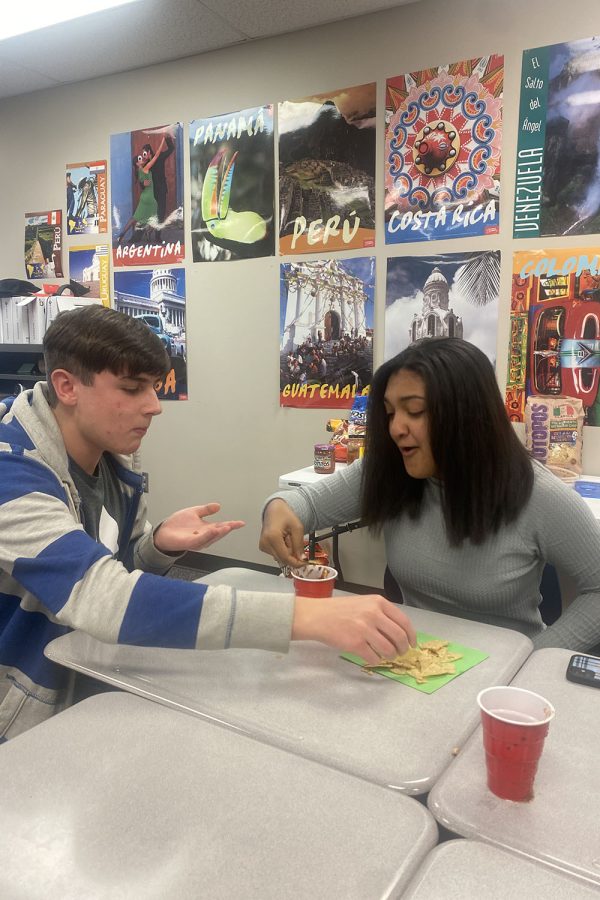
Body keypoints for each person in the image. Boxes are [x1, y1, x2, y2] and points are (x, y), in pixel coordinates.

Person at [0, 305, 415, 741]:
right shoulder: (11, 472)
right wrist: (307, 616)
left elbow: (112, 573)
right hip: (25, 721)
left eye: (154, 388)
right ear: (66, 386)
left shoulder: (113, 462)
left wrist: (156, 546)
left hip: (89, 683)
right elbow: (102, 599)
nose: (154, 407)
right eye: (131, 388)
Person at [260, 337, 600, 652]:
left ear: (468, 415)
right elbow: (302, 503)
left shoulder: (537, 496)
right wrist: (277, 509)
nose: (395, 428)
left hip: (502, 681)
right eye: (391, 412)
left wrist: (533, 661)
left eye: (415, 411)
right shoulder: (391, 472)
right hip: (414, 662)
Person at [117, 135, 166, 246]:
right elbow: (157, 155)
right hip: (149, 198)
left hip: (144, 197)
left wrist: (144, 183)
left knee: (134, 218)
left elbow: (143, 183)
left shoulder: (138, 172)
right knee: (156, 217)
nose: (142, 158)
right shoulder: (145, 168)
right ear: (137, 164)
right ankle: (148, 232)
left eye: (141, 157)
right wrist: (162, 139)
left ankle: (122, 234)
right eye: (139, 159)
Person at [141, 132, 175, 222]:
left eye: (144, 153)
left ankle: (157, 235)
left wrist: (167, 137)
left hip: (162, 189)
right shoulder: (147, 164)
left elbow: (171, 149)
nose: (144, 156)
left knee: (161, 212)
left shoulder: (159, 156)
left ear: (149, 152)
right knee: (154, 212)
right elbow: (142, 177)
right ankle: (152, 231)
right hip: (153, 191)